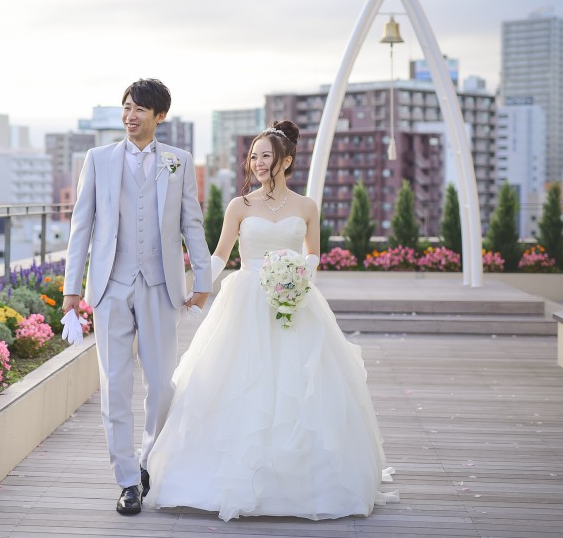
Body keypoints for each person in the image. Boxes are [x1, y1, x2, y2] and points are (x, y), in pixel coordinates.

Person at [145, 119, 397, 521]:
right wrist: (199, 286)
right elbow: (221, 253)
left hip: (295, 300)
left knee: (300, 387)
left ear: (287, 160)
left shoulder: (306, 206)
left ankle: (301, 483)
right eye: (254, 156)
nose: (258, 163)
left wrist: (300, 279)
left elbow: (313, 254)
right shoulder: (240, 206)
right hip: (246, 300)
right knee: (240, 381)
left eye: (266, 156)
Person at [61, 78, 212, 515]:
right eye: (126, 107)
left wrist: (202, 279)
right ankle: (126, 479)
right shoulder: (98, 159)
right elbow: (81, 226)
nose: (130, 116)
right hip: (110, 286)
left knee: (162, 384)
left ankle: (149, 461)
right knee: (115, 384)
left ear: (159, 115)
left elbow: (192, 224)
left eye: (139, 109)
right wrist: (72, 289)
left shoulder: (178, 162)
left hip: (163, 286)